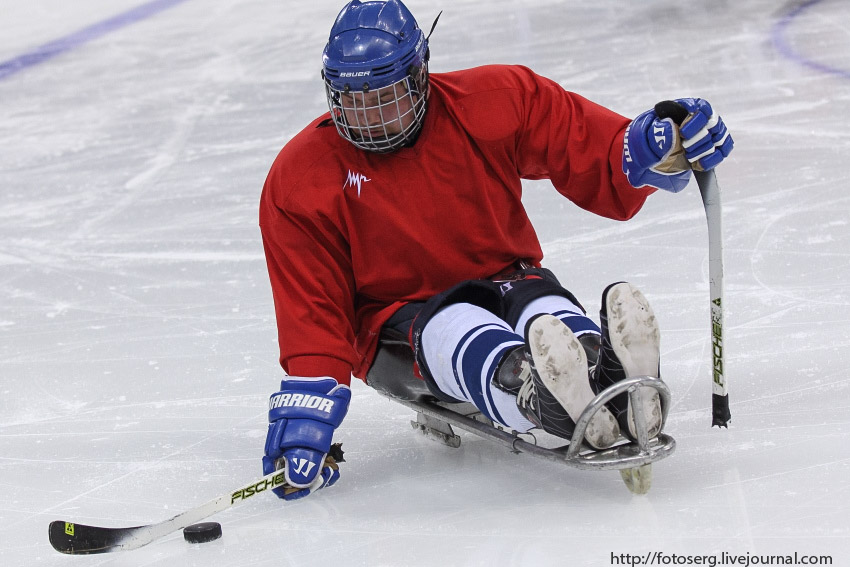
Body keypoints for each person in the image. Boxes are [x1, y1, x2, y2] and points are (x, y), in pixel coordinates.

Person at [259, 0, 733, 500]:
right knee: (461, 331)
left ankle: (609, 372)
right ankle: (534, 393)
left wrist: (655, 145)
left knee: (545, 314)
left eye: (384, 96)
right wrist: (306, 421)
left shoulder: (492, 101)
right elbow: (311, 309)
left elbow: (587, 144)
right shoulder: (302, 178)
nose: (368, 117)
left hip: (511, 277)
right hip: (399, 318)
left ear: (420, 75)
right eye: (351, 100)